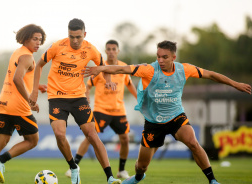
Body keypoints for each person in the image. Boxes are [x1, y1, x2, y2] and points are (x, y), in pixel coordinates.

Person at [81, 40, 252, 184]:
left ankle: (212, 180)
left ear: (173, 57)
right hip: (153, 122)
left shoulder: (184, 69)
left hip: (176, 116)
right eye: (158, 56)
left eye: (165, 57)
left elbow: (211, 75)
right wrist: (101, 69)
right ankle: (138, 178)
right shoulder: (149, 69)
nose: (160, 60)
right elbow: (121, 69)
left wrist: (235, 84)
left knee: (193, 142)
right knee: (141, 166)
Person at [28, 19, 121, 184]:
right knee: (59, 134)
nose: (75, 40)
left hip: (79, 98)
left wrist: (108, 79)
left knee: (92, 135)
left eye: (78, 37)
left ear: (84, 34)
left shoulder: (90, 49)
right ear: (68, 35)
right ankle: (73, 166)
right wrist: (34, 90)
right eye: (72, 37)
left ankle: (110, 177)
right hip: (57, 98)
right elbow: (39, 65)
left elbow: (103, 66)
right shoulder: (57, 46)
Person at [0, 24, 47, 184]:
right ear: (25, 38)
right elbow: (17, 79)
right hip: (18, 106)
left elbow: (20, 77)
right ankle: (1, 161)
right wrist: (30, 99)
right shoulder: (28, 57)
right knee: (33, 140)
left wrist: (36, 87)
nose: (38, 43)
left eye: (40, 40)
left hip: (3, 103)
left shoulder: (18, 53)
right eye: (35, 39)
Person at [65, 40, 137, 179]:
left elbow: (129, 84)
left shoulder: (123, 67)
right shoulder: (100, 67)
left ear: (118, 51)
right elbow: (88, 85)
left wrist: (139, 99)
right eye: (108, 49)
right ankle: (74, 166)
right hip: (101, 110)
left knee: (125, 139)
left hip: (119, 110)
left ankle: (121, 170)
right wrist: (86, 98)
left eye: (113, 49)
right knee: (89, 136)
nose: (111, 51)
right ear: (105, 51)